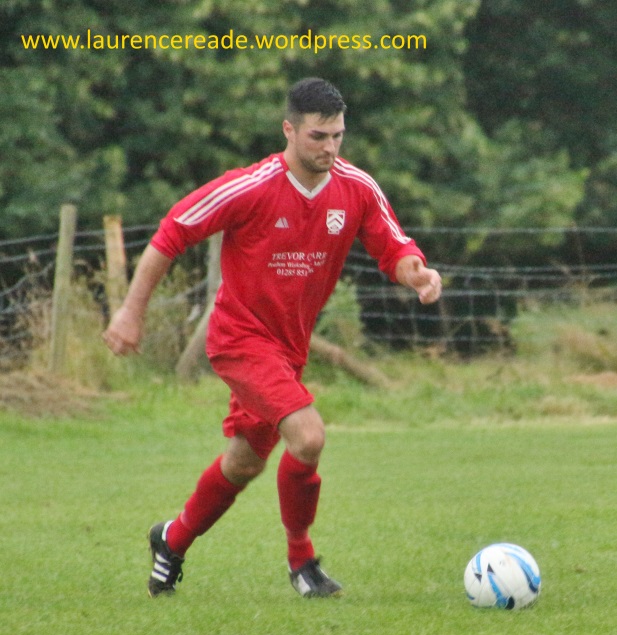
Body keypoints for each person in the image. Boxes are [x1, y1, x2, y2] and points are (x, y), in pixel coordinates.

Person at [102, 77, 442, 598]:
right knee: (308, 436)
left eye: (337, 136)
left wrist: (415, 272)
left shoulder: (356, 188)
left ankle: (171, 540)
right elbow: (172, 231)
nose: (330, 148)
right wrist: (131, 311)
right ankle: (302, 563)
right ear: (289, 130)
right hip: (239, 341)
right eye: (318, 137)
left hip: (288, 350)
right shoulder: (251, 186)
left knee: (243, 462)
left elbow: (394, 247)